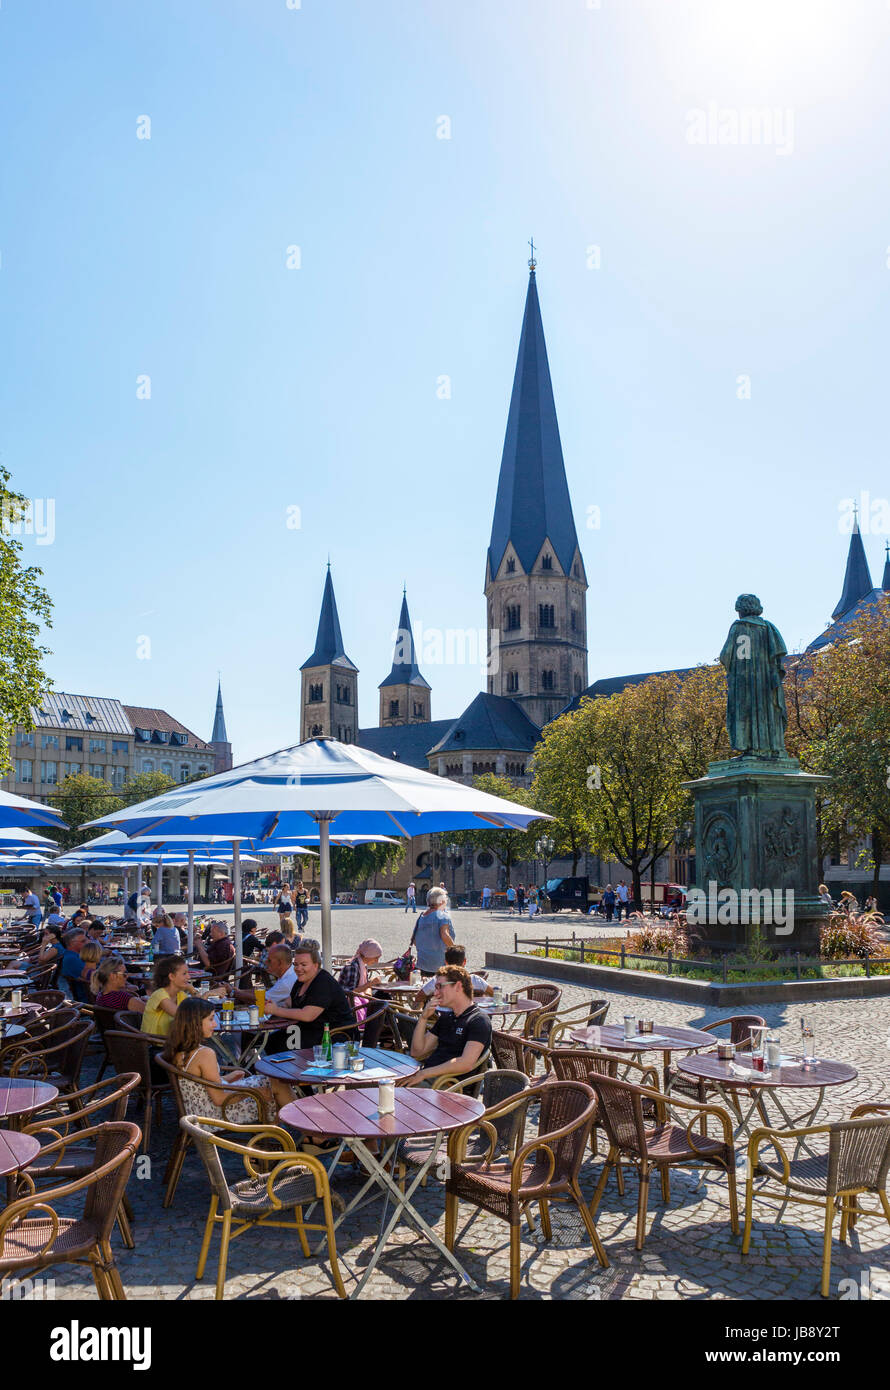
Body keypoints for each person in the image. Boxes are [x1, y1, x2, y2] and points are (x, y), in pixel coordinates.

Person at [164, 997, 293, 1120]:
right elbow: (220, 1099)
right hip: (215, 1115)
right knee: (276, 1086)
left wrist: (226, 1078)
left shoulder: (178, 1049)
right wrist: (256, 1091)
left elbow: (200, 1083)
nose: (215, 1024)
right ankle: (305, 1133)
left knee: (272, 1081)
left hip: (198, 1110)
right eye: (211, 1019)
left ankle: (289, 1132)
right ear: (195, 1023)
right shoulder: (205, 1054)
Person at [406, 965, 492, 1086]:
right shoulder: (447, 1018)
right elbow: (417, 1052)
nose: (435, 993)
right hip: (430, 1080)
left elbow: (465, 1063)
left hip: (449, 1087)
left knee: (392, 1092)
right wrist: (423, 1018)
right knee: (386, 1085)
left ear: (458, 986)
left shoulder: (479, 1021)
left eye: (440, 987)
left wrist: (425, 1073)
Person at [266, 941, 355, 1050]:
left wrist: (275, 1010)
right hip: (311, 1031)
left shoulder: (323, 982)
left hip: (334, 1036)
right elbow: (289, 1003)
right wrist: (276, 1007)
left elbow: (307, 1015)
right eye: (296, 964)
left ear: (316, 965)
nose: (298, 968)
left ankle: (286, 1066)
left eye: (303, 965)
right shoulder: (301, 980)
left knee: (279, 1044)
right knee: (272, 1040)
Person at [412, 945, 492, 1009]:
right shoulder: (475, 979)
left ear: (446, 962)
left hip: (444, 1020)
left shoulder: (438, 980)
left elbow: (420, 996)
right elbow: (494, 994)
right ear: (464, 962)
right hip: (473, 1018)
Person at [142, 954, 202, 1036]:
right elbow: (183, 1015)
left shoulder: (181, 995)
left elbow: (200, 1010)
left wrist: (193, 991)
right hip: (154, 1045)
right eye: (184, 974)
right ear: (172, 976)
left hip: (171, 1042)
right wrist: (193, 990)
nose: (189, 977)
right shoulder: (159, 995)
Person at [338, 939, 384, 1030]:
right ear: (369, 955)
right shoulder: (353, 967)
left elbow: (363, 987)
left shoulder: (362, 965)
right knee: (381, 1002)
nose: (377, 961)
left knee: (383, 996)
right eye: (376, 958)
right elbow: (351, 993)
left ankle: (385, 1034)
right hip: (348, 1003)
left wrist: (369, 988)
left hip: (358, 998)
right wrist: (371, 983)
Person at [412, 887, 455, 978]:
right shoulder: (443, 916)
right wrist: (455, 950)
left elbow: (414, 940)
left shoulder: (421, 917)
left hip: (422, 964)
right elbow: (445, 935)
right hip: (439, 964)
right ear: (441, 901)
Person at [59, 927, 88, 1000]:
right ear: (72, 943)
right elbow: (90, 978)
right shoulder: (72, 958)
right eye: (83, 941)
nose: (87, 942)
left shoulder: (73, 955)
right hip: (87, 998)